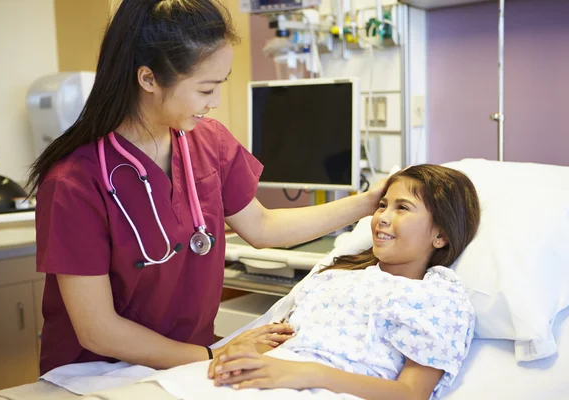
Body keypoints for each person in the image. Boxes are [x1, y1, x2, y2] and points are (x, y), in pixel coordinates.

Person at [26, 0, 385, 376]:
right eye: (205, 89)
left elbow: (263, 227)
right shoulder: (75, 181)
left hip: (190, 364)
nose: (214, 103)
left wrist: (368, 202)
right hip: (96, 375)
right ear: (148, 79)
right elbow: (98, 331)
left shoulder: (208, 142)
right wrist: (215, 356)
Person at [203, 165, 480, 400]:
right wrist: (242, 354)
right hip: (271, 380)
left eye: (402, 208)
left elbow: (410, 393)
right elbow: (281, 340)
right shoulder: (335, 276)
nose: (381, 217)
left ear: (441, 236)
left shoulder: (437, 298)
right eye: (382, 205)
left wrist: (308, 374)